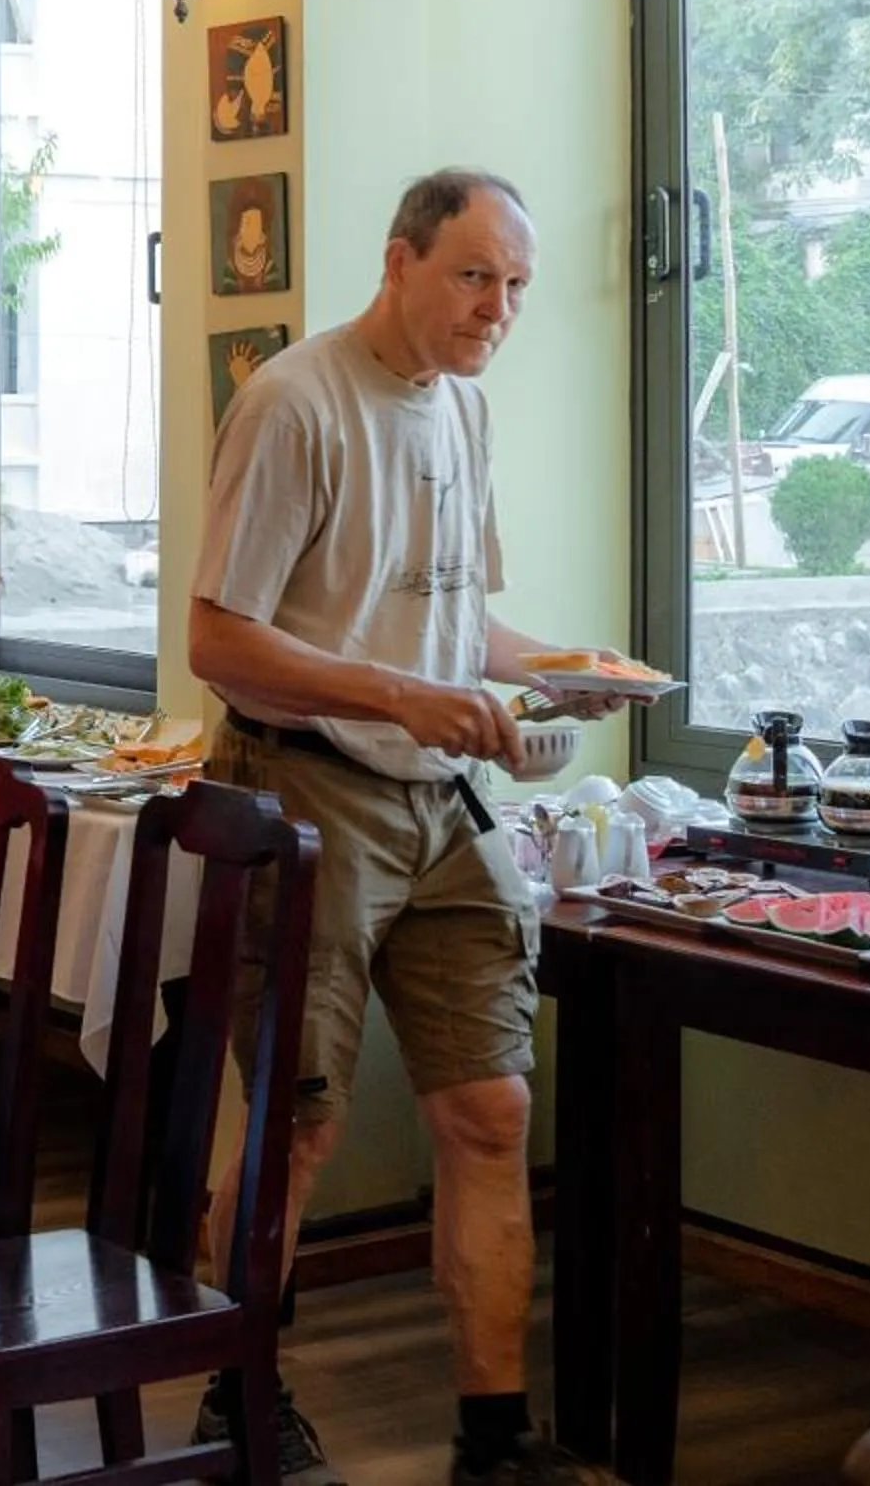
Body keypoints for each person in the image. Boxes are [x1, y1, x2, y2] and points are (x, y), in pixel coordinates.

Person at [189, 168, 619, 1486]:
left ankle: (493, 1438)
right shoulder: (294, 403)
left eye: (517, 288)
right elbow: (220, 641)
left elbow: (444, 618)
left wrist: (557, 664)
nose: (499, 308)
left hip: (445, 805)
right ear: (401, 262)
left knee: (492, 1111)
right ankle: (239, 1397)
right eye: (476, 276)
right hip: (306, 783)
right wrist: (404, 696)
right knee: (300, 1125)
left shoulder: (465, 410)